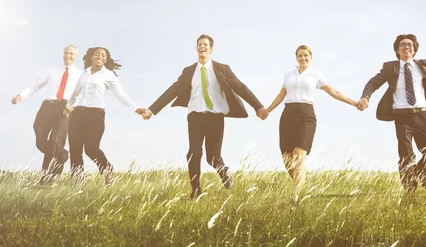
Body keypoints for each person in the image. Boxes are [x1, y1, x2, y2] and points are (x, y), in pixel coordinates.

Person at [137, 34, 268, 199]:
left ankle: (223, 170)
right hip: (195, 117)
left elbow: (241, 87)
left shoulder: (222, 69)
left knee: (212, 157)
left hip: (216, 117)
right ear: (196, 48)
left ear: (211, 48)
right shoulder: (189, 71)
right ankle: (196, 190)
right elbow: (172, 90)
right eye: (199, 44)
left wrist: (258, 106)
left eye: (205, 44)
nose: (202, 47)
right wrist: (151, 110)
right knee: (193, 152)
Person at [357, 34, 426, 193]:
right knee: (406, 154)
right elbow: (373, 82)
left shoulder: (422, 66)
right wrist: (365, 97)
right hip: (402, 117)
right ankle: (409, 187)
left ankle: (420, 171)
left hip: (422, 114)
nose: (406, 47)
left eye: (410, 45)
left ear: (414, 50)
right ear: (397, 50)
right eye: (402, 45)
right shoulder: (391, 68)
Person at [265, 45, 358, 199]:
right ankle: (300, 183)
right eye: (300, 56)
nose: (303, 58)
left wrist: (354, 103)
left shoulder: (316, 75)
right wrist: (268, 110)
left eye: (306, 55)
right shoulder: (288, 75)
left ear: (311, 57)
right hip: (288, 115)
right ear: (296, 57)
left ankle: (295, 196)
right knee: (287, 159)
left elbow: (334, 92)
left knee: (299, 155)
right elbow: (281, 95)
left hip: (306, 115)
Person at [64, 47, 139, 185]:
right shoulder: (84, 73)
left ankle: (107, 170)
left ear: (106, 59)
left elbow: (120, 94)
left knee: (91, 148)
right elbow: (75, 91)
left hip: (95, 115)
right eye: (97, 54)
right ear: (91, 57)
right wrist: (68, 107)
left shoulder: (109, 75)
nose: (100, 56)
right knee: (75, 149)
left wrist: (136, 108)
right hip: (77, 113)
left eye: (103, 55)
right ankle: (77, 181)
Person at [11, 45, 83, 184]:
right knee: (39, 134)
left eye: (72, 54)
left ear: (76, 56)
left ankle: (46, 179)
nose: (68, 56)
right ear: (63, 54)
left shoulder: (80, 74)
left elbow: (82, 93)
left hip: (65, 107)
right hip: (48, 106)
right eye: (66, 53)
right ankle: (62, 155)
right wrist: (21, 95)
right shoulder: (52, 71)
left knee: (56, 140)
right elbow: (35, 86)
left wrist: (71, 106)